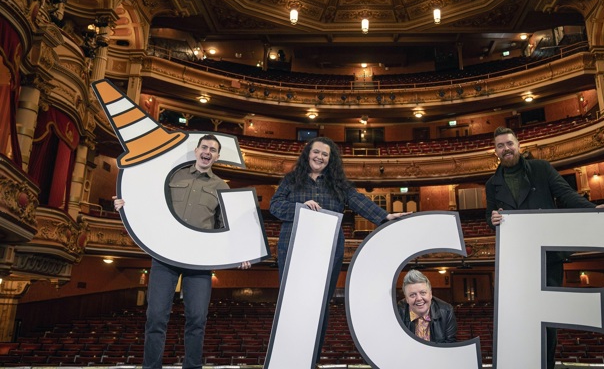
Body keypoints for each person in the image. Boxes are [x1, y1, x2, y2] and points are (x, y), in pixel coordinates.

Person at [485, 126, 604, 369]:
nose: (506, 149)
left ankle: (546, 364)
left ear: (519, 146)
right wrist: (492, 220)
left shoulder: (541, 169)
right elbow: (489, 218)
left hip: (548, 257)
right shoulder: (492, 184)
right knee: (521, 317)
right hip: (518, 260)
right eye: (500, 146)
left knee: (547, 319)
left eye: (509, 143)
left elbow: (566, 194)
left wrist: (592, 210)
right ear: (495, 152)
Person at [114, 134, 250, 369]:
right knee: (156, 317)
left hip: (199, 262)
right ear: (196, 151)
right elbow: (151, 203)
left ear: (217, 156)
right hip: (164, 257)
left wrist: (241, 251)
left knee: (197, 319)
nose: (208, 152)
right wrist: (126, 205)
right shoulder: (173, 175)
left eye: (213, 149)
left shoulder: (221, 186)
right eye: (204, 147)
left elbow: (226, 225)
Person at [269, 137, 411, 354]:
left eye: (325, 154)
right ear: (308, 153)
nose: (320, 157)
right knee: (291, 304)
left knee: (321, 305)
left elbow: (359, 201)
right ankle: (289, 356)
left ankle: (311, 357)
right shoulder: (290, 180)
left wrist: (385, 216)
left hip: (328, 249)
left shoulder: (338, 183)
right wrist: (300, 208)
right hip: (293, 247)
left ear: (330, 159)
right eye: (316, 152)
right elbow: (275, 206)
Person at [397, 269, 457, 343]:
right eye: (412, 295)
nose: (419, 298)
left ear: (430, 294)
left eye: (423, 293)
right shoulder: (398, 312)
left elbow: (449, 345)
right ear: (406, 299)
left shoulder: (446, 311)